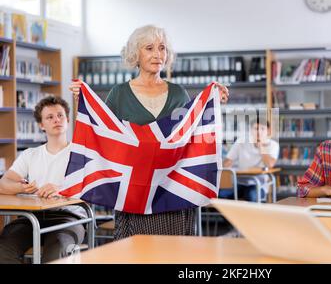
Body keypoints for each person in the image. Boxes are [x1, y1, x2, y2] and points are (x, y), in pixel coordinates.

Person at [70, 25, 229, 240]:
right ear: (136, 54)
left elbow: (192, 135)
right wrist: (84, 103)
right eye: (149, 48)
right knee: (135, 254)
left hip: (172, 192)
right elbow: (103, 135)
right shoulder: (119, 94)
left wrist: (214, 103)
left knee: (173, 252)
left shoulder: (178, 93)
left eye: (162, 48)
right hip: (133, 194)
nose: (157, 54)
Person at [0, 96, 86, 264]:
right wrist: (21, 188)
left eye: (60, 115)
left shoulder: (80, 153)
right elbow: (3, 183)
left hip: (68, 218)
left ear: (68, 120)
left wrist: (61, 190)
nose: (56, 120)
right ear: (41, 125)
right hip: (31, 218)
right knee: (3, 249)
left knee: (58, 251)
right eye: (50, 117)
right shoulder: (30, 154)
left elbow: (93, 189)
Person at [222, 118, 279, 202]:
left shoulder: (273, 145)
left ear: (268, 131)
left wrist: (261, 147)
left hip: (259, 184)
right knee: (221, 194)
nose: (259, 132)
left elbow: (270, 164)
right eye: (256, 129)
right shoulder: (241, 142)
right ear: (251, 130)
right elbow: (227, 162)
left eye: (262, 129)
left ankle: (249, 214)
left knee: (251, 195)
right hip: (239, 182)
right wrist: (228, 163)